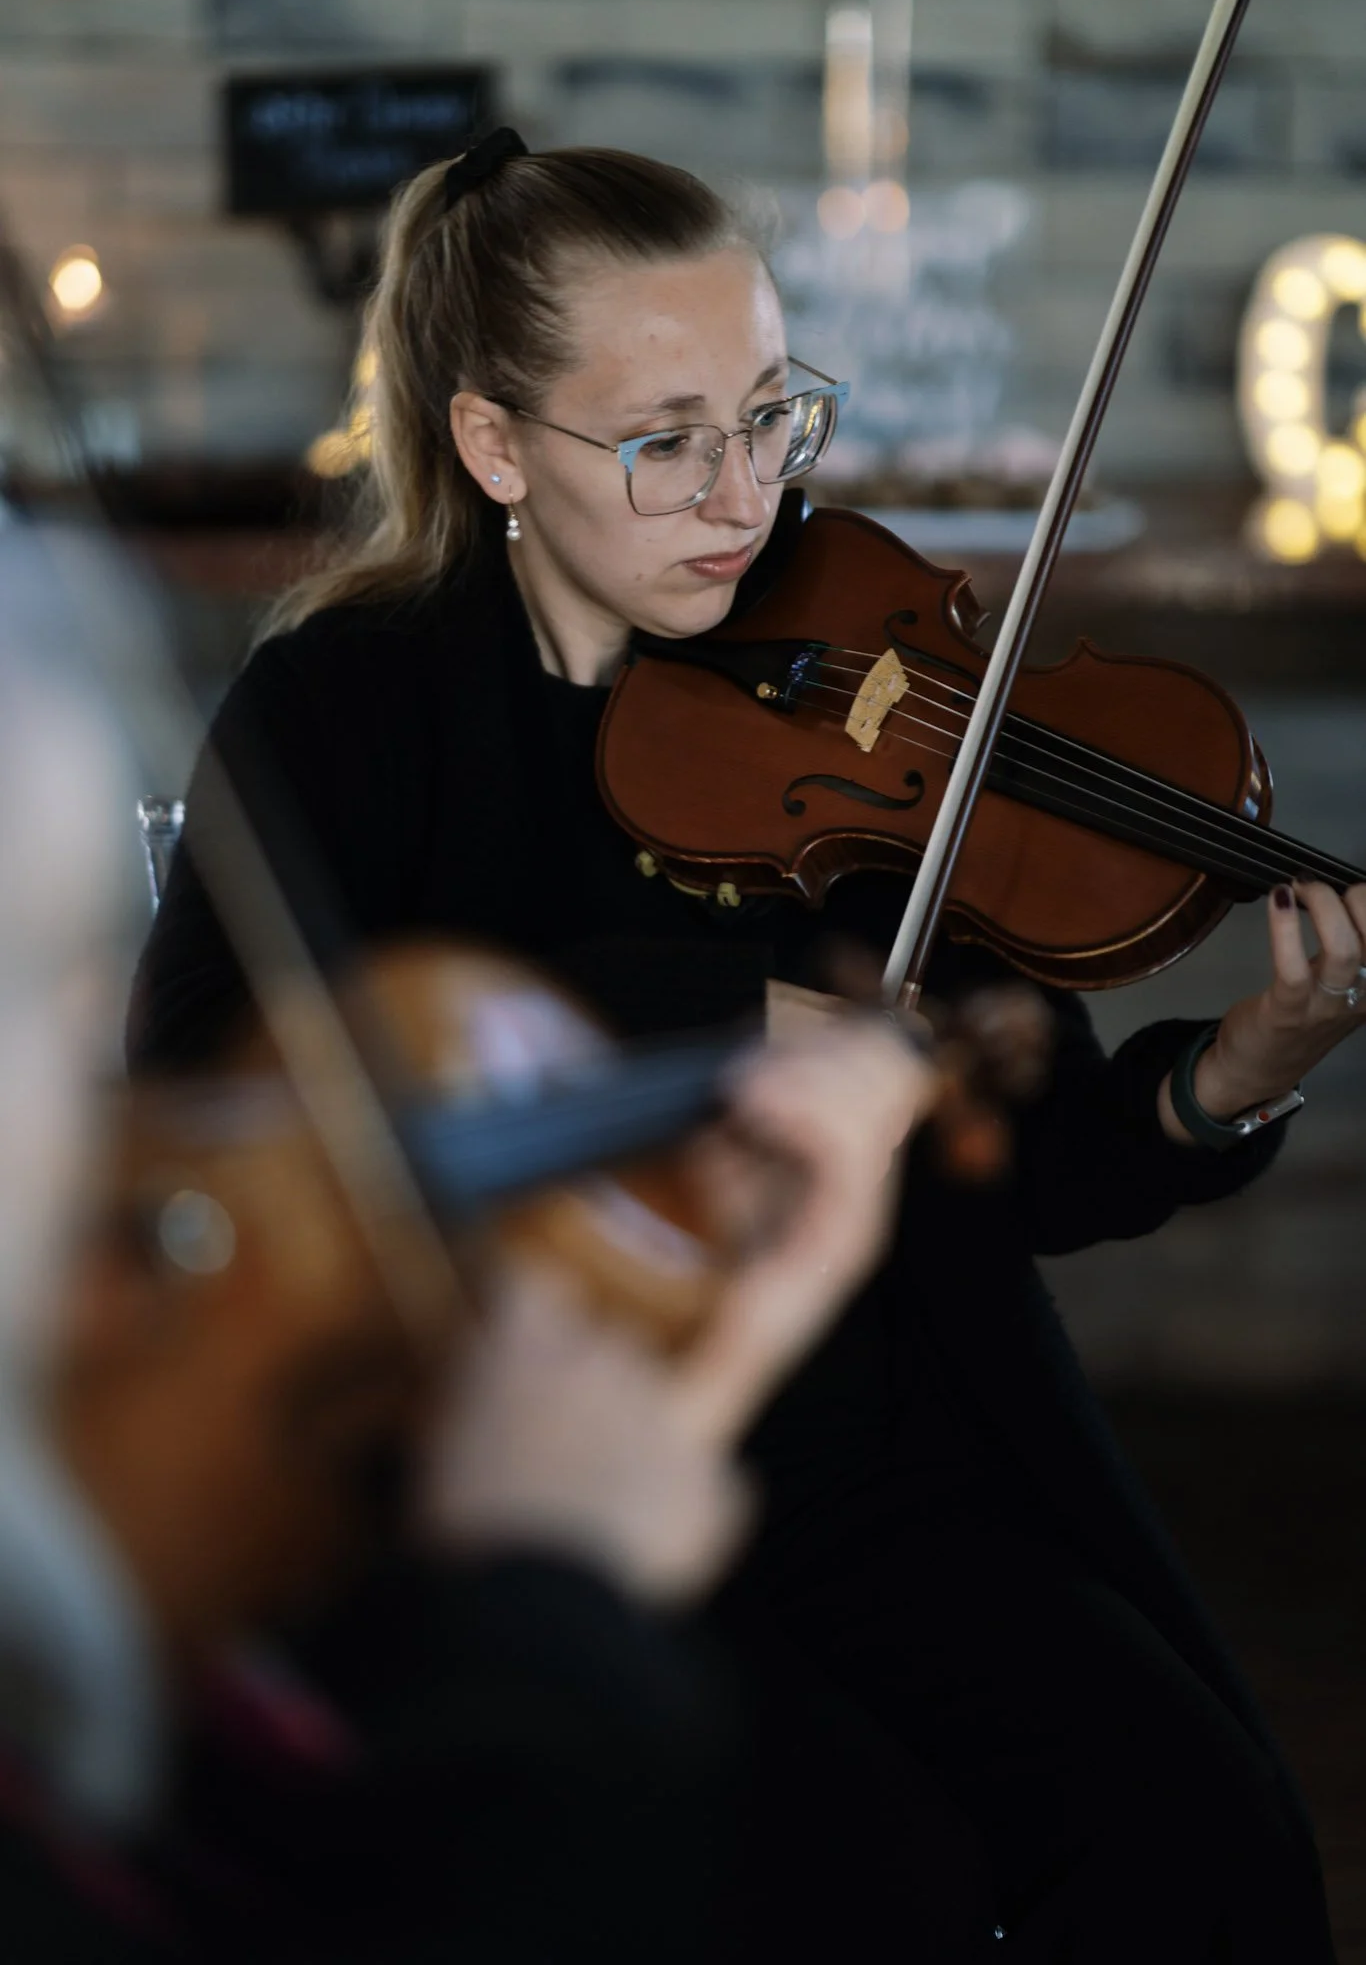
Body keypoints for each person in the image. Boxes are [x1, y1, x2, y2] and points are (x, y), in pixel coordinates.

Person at [128, 132, 1366, 1960]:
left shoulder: (851, 670)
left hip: (875, 1472)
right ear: (493, 451)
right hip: (530, 1487)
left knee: (1206, 1844)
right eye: (666, 440)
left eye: (773, 414)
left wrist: (1223, 1079)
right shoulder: (349, 709)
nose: (743, 496)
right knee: (873, 1881)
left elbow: (991, 1153)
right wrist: (714, 1015)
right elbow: (230, 1106)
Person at [0, 524, 935, 1960]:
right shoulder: (343, 695)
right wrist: (546, 1624)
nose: (119, 1105)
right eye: (48, 974)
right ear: (501, 447)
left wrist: (729, 1351)